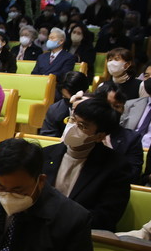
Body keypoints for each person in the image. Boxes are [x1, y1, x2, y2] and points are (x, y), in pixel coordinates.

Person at [41, 97, 131, 231]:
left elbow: (105, 217)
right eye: (72, 120)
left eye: (82, 126)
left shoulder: (116, 167)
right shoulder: (45, 154)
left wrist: (58, 221)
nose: (73, 128)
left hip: (78, 235)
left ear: (100, 136)